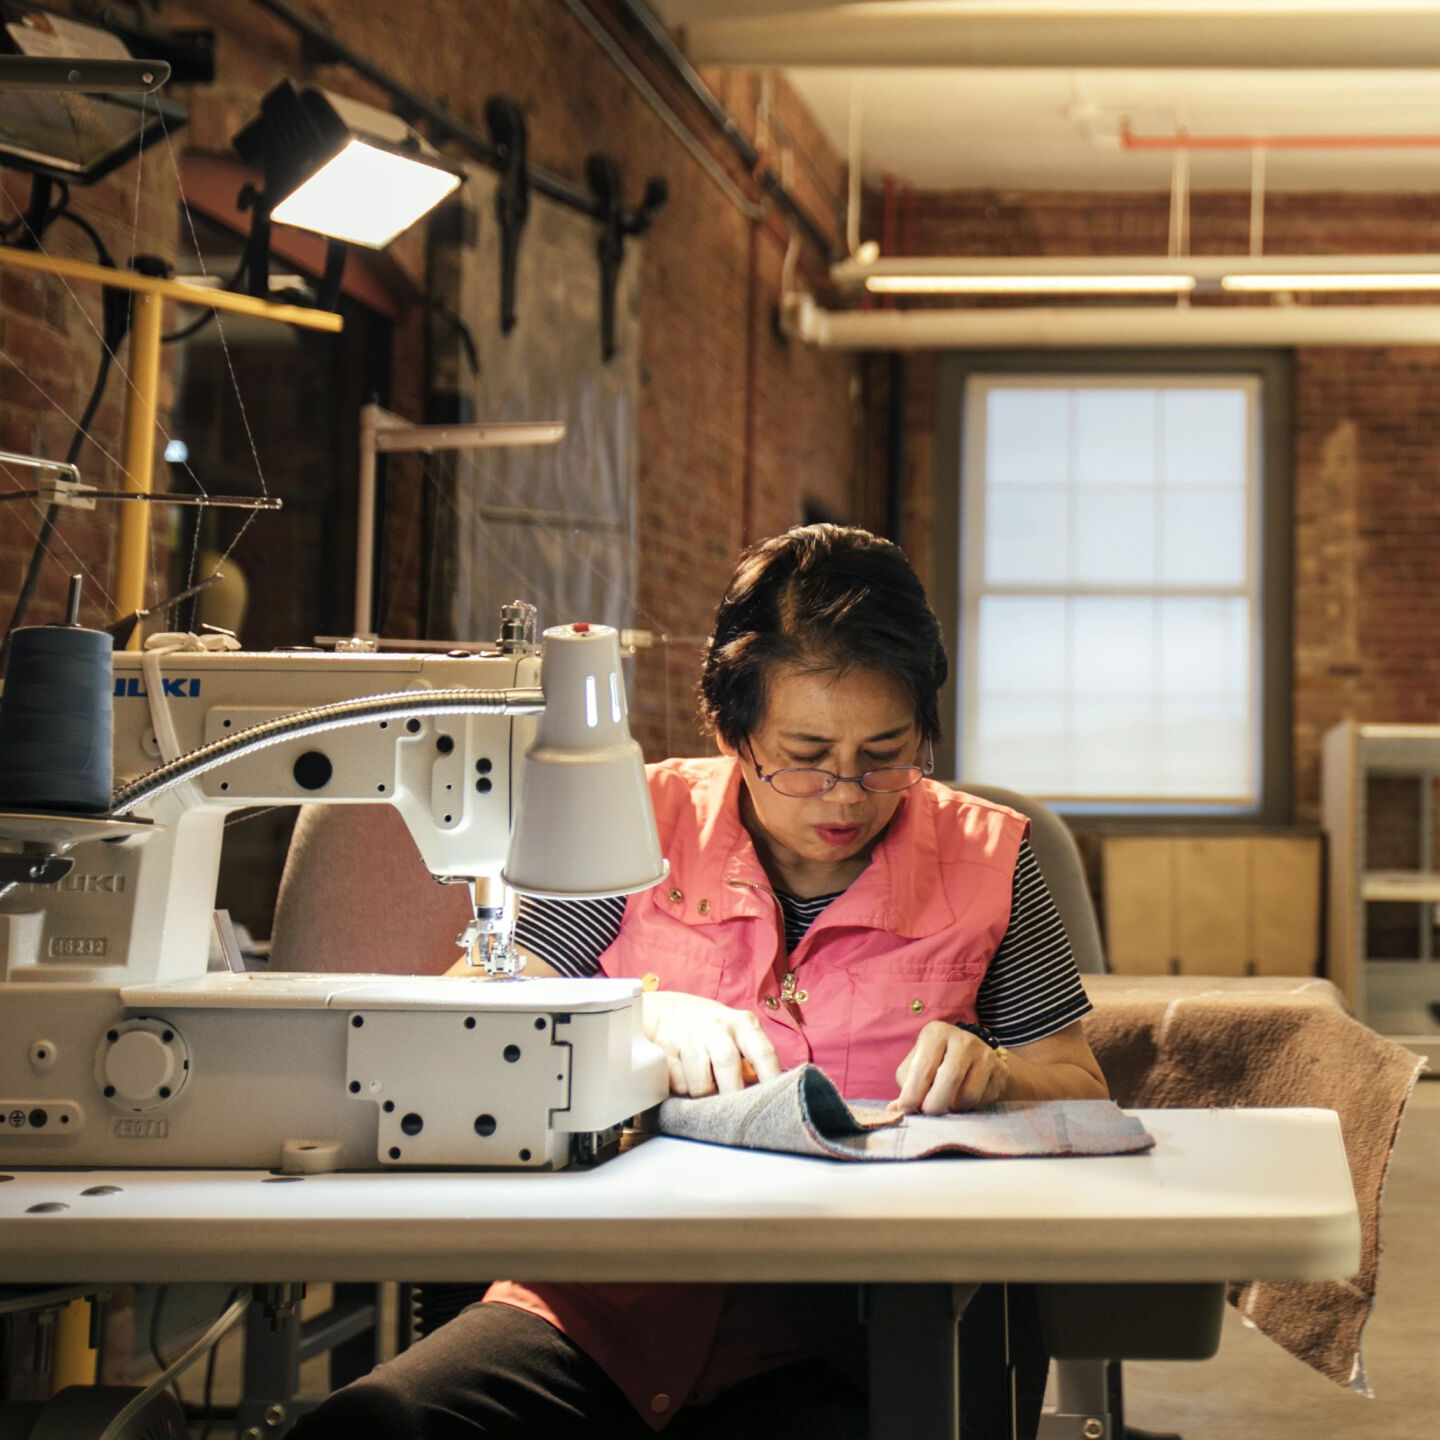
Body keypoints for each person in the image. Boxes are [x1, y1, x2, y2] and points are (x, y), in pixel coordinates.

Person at [290, 523, 1107, 1440]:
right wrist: (633, 1017)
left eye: (886, 753)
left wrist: (996, 1077)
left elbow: (1080, 1089)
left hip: (860, 1329)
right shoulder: (633, 820)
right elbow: (471, 1020)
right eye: (804, 755)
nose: (844, 794)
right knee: (377, 1426)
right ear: (729, 728)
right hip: (601, 1307)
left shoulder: (990, 857)